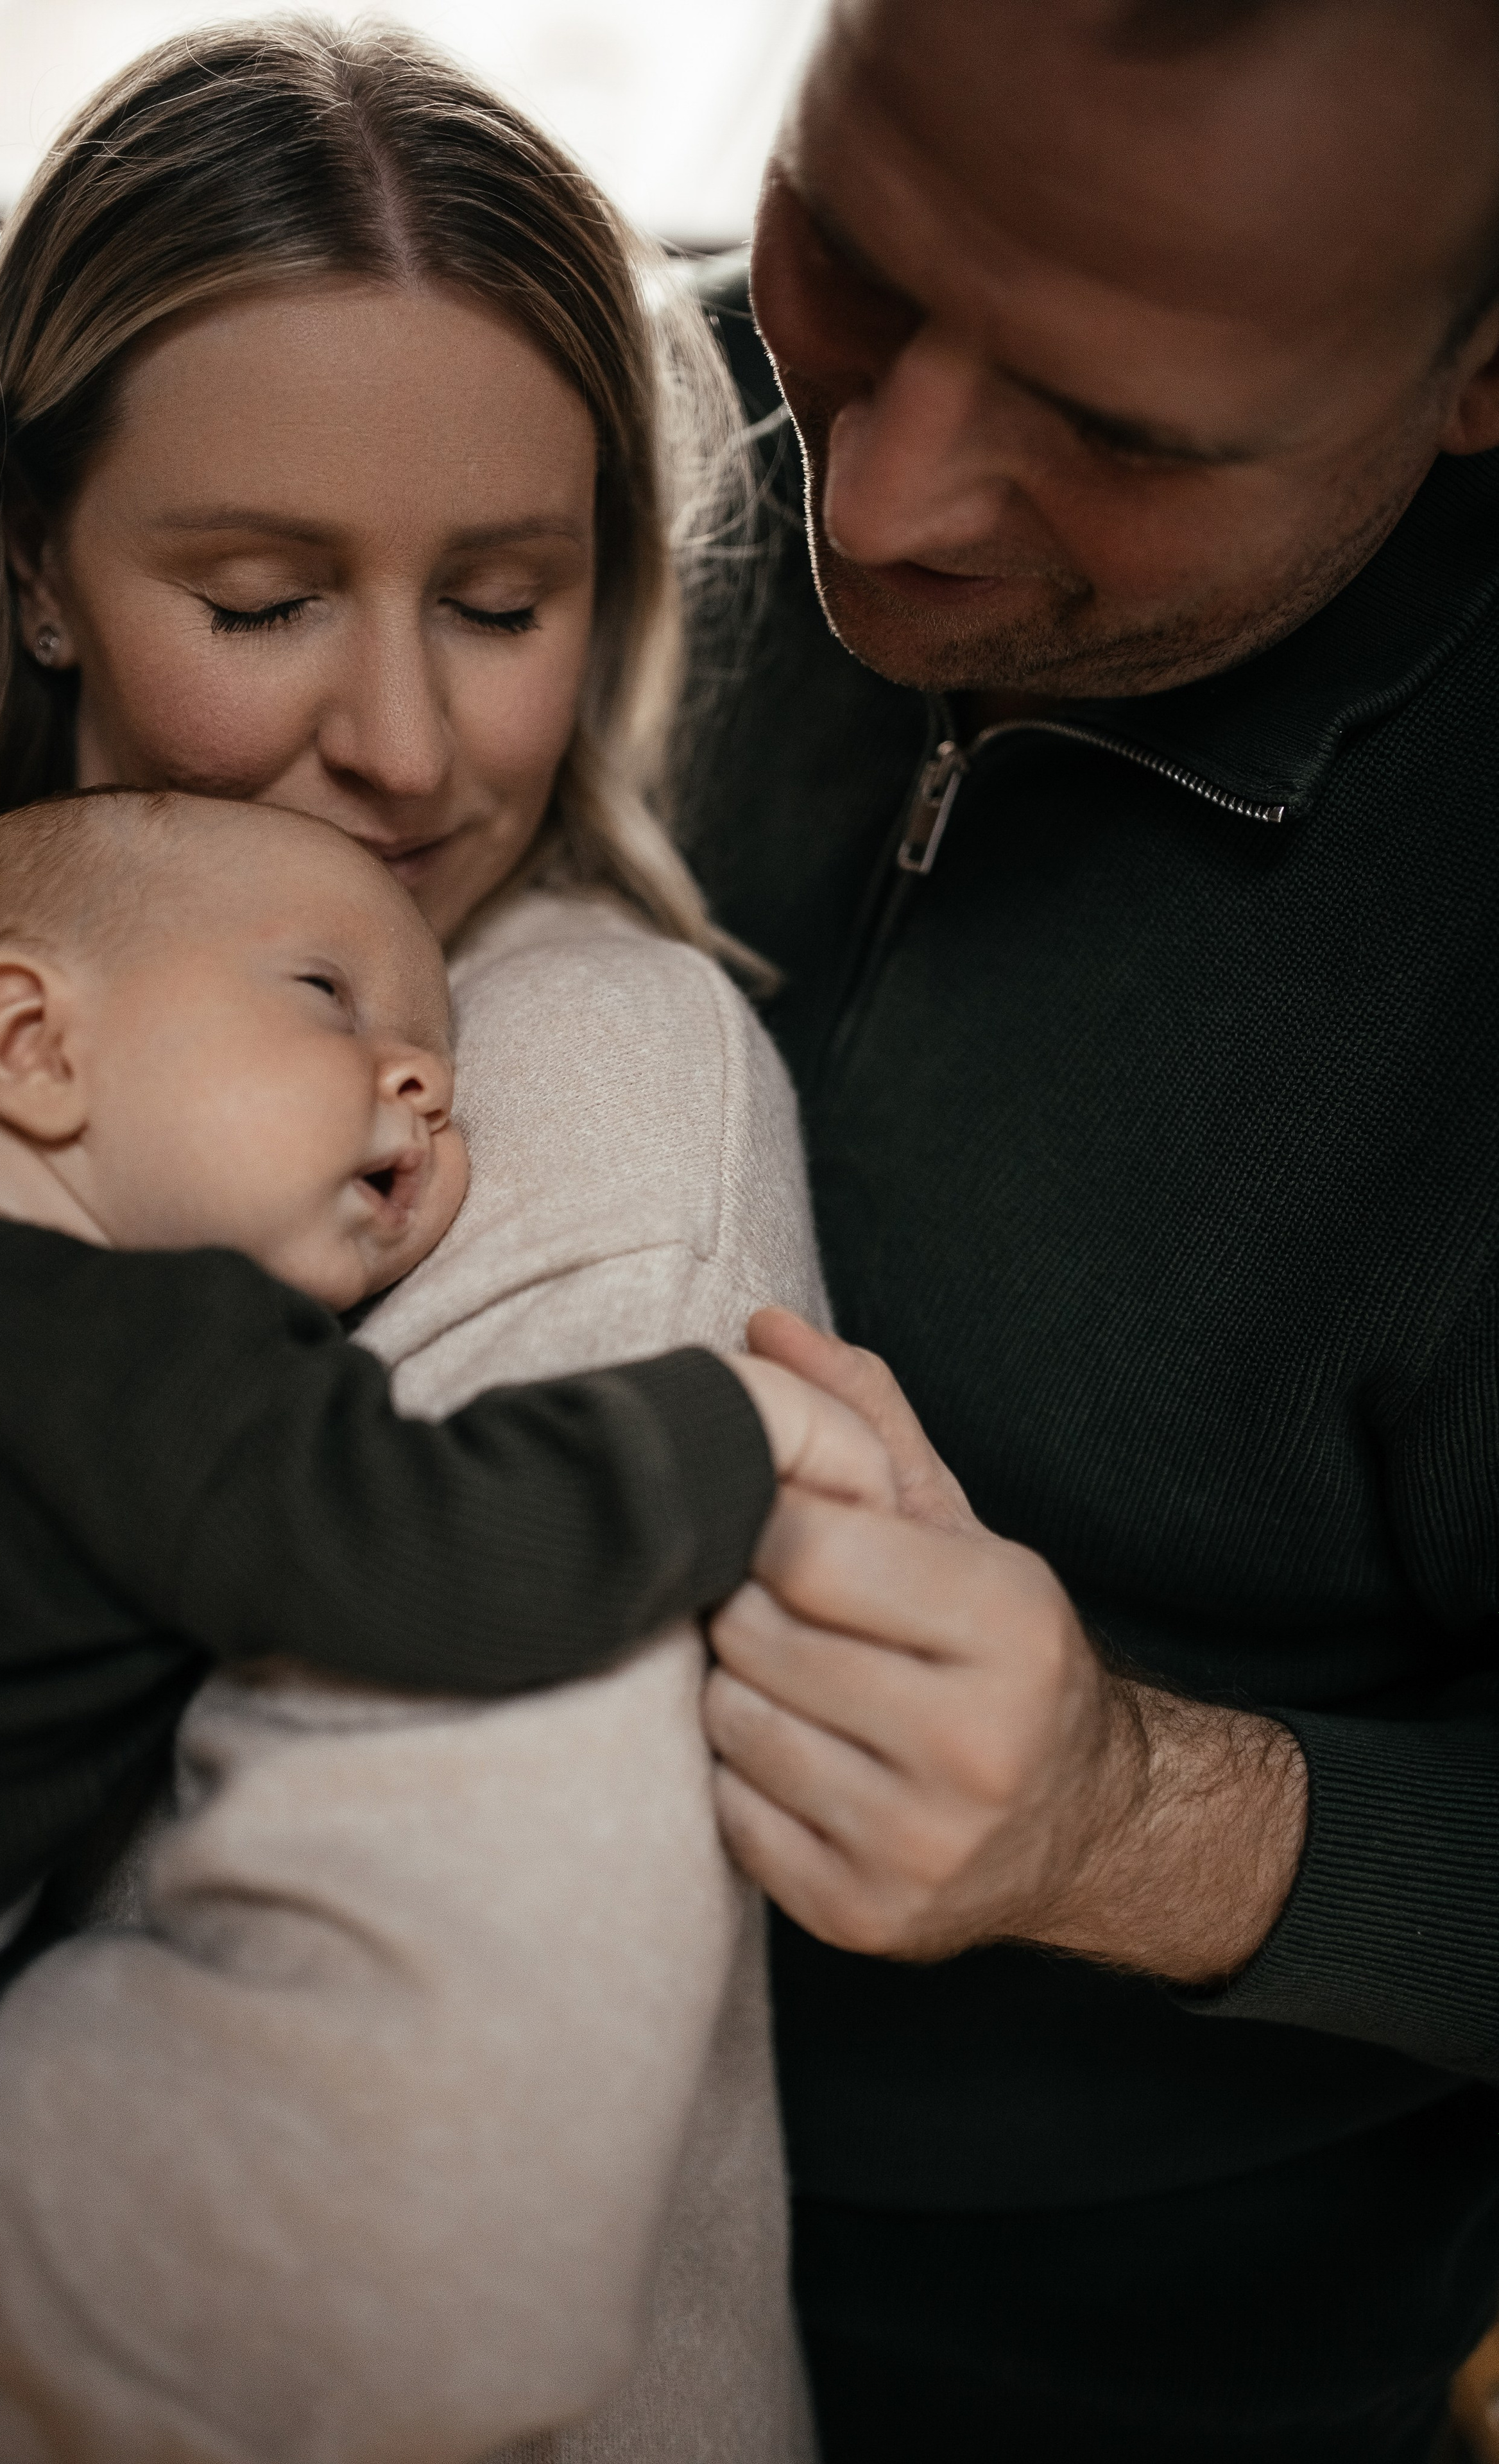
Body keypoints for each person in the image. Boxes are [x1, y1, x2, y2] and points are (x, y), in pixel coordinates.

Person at [0, 22, 838, 2458]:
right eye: (268, 594)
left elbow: (377, 2247)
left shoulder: (562, 1066)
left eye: (503, 601)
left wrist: (741, 1427)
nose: (403, 749)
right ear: (36, 574)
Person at [667, 1, 1499, 2458]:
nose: (882, 494)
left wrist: (1128, 1817)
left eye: (1121, 427)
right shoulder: (603, 395)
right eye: (844, 248)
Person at [0, 787, 884, 2014]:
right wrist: (738, 1428)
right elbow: (423, 1545)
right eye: (323, 995)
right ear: (31, 1041)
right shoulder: (124, 1348)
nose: (427, 1084)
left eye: (440, 1057)